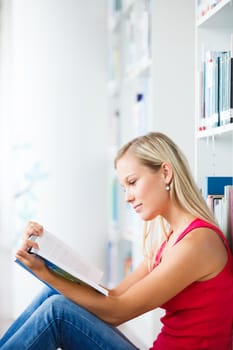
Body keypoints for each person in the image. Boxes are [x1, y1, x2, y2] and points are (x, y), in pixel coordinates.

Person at [0, 131, 232, 350]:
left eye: (132, 182)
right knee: (53, 295)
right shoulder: (173, 239)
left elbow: (118, 312)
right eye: (123, 188)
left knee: (57, 311)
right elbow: (114, 295)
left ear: (165, 173)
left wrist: (45, 274)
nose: (128, 197)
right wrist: (46, 257)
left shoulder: (197, 243)